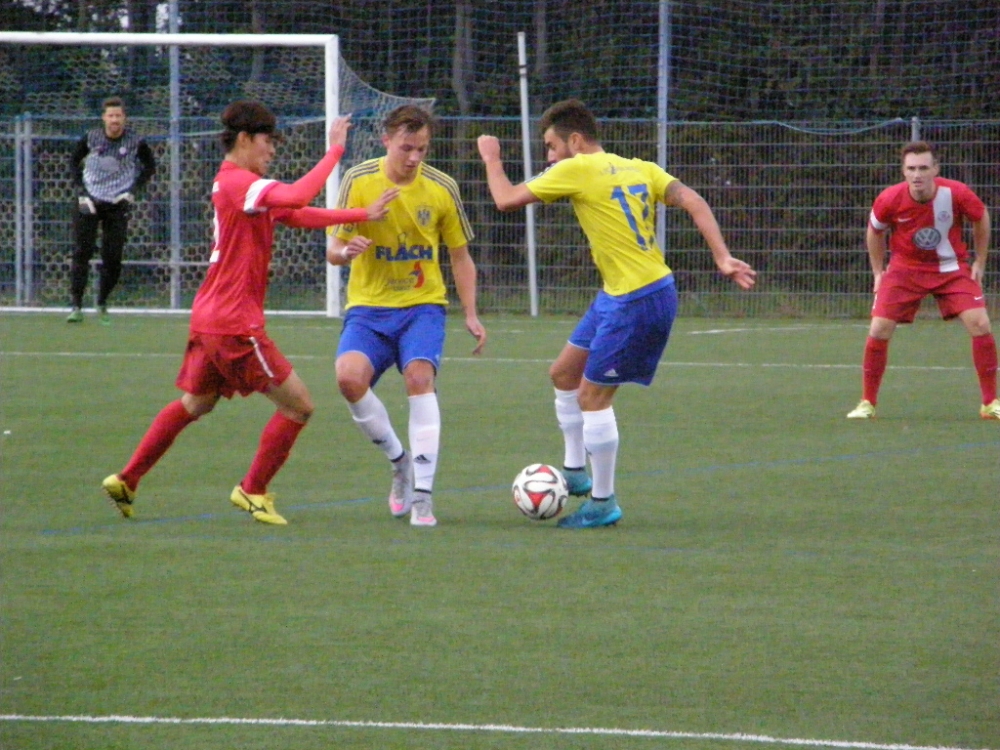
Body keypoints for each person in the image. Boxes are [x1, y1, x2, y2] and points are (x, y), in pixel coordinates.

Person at [101, 101, 397, 524]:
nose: (272, 150)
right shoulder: (241, 182)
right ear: (244, 139)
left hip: (210, 317)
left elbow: (296, 213)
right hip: (234, 323)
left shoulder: (242, 187)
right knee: (299, 406)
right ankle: (253, 490)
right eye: (267, 141)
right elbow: (297, 195)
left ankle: (127, 479)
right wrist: (334, 151)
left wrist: (361, 214)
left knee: (196, 403)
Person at [477, 98, 756, 529]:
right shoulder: (639, 167)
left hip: (638, 299)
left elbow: (505, 198)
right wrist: (722, 256)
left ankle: (603, 502)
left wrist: (492, 158)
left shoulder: (576, 168)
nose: (549, 157)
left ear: (575, 140)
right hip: (619, 293)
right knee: (564, 374)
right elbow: (693, 199)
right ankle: (575, 472)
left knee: (593, 397)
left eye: (551, 147)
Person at [327, 104, 486, 528]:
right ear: (386, 141)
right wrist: (346, 251)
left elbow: (460, 255)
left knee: (419, 377)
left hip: (422, 306)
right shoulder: (358, 180)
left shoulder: (441, 188)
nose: (414, 157)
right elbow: (333, 249)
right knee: (348, 379)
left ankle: (423, 498)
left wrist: (471, 313)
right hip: (368, 309)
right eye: (406, 148)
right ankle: (400, 463)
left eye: (422, 149)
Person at [846, 141, 998, 420]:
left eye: (923, 168)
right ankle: (867, 402)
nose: (917, 175)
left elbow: (981, 217)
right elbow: (874, 231)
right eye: (912, 168)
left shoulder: (956, 193)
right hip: (904, 270)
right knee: (879, 328)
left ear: (935, 169)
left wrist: (980, 261)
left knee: (980, 323)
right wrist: (878, 272)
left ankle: (990, 403)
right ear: (903, 171)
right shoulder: (889, 198)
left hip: (951, 268)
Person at [67, 96, 156, 325]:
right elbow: (73, 162)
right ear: (103, 118)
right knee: (82, 252)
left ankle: (102, 303)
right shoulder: (91, 137)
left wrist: (132, 191)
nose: (114, 120)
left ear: (124, 118)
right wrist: (81, 192)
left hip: (117, 203)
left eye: (118, 115)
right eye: (110, 115)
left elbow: (150, 166)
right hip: (89, 200)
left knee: (113, 256)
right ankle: (76, 306)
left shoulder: (135, 141)